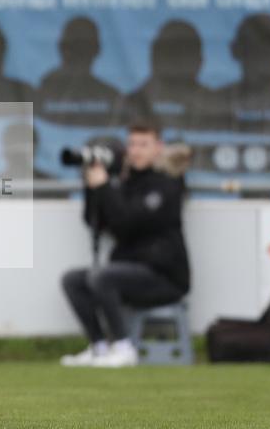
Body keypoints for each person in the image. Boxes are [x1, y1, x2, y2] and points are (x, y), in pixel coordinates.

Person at [60, 120, 190, 368]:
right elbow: (95, 222)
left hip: (164, 276)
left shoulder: (168, 183)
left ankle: (123, 347)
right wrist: (93, 188)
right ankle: (99, 347)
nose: (136, 150)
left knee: (102, 277)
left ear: (158, 147)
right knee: (73, 280)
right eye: (132, 144)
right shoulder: (124, 182)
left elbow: (127, 222)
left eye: (144, 144)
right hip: (127, 270)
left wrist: (105, 187)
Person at [37, 16, 121, 127]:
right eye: (73, 46)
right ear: (62, 47)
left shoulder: (113, 98)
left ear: (96, 50)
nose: (78, 53)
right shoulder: (43, 93)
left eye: (84, 46)